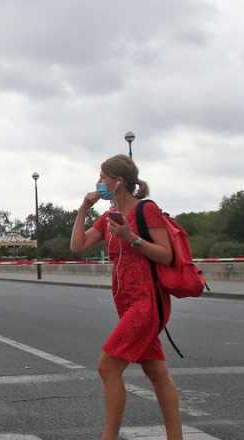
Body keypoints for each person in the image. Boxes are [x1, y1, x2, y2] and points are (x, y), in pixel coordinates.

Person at [69, 154, 183, 440]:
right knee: (156, 371)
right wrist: (83, 208)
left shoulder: (147, 210)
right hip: (126, 302)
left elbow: (166, 254)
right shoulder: (108, 217)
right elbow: (77, 246)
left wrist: (131, 237)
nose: (99, 181)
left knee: (107, 366)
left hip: (146, 302)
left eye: (103, 176)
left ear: (118, 182)